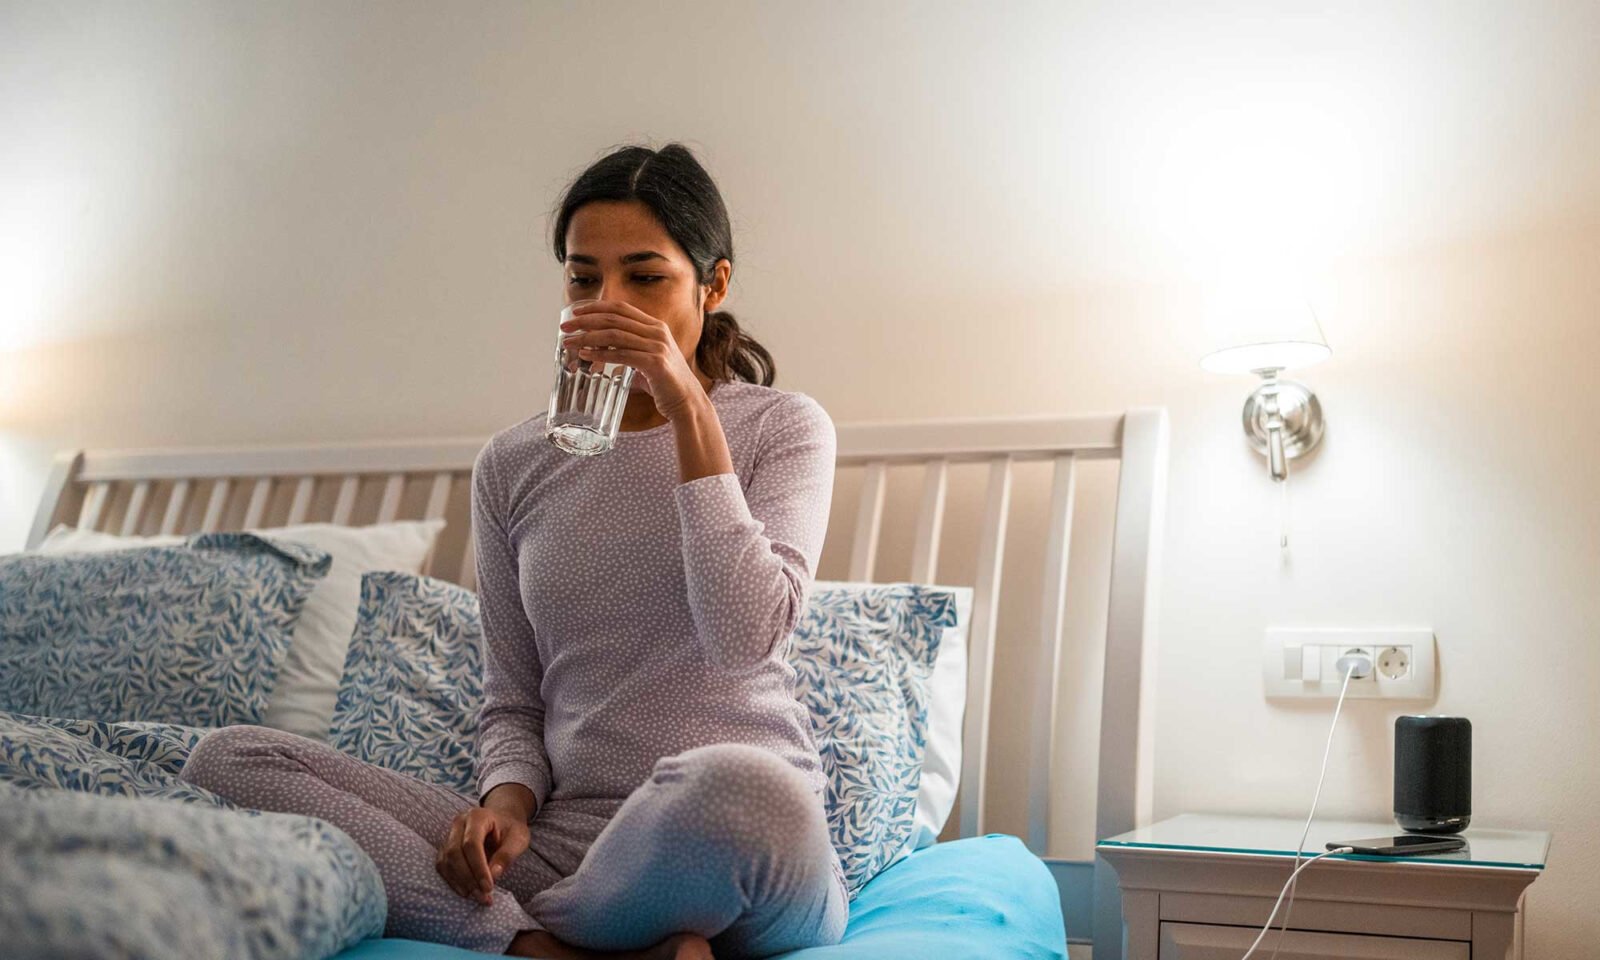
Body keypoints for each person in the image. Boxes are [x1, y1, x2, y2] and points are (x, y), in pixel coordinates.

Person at [179, 143, 847, 959]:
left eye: (645, 278)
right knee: (231, 758)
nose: (609, 304)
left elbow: (745, 638)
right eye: (583, 279)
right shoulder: (513, 463)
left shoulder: (783, 428)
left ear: (713, 286)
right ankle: (543, 943)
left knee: (737, 786)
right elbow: (514, 700)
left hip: (744, 837)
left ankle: (566, 935)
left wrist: (688, 409)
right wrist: (506, 808)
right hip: (574, 853)